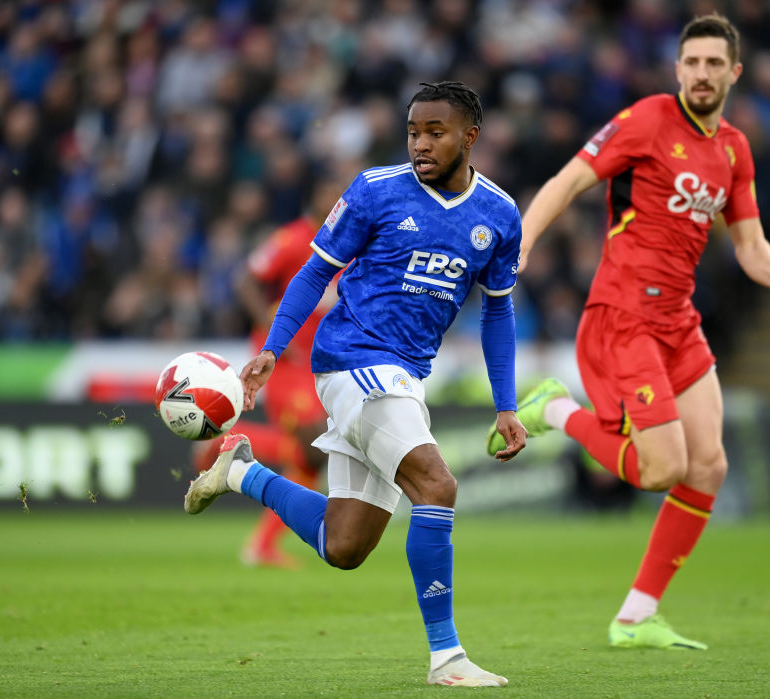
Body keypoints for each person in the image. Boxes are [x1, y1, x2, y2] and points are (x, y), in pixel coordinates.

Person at [185, 81, 528, 687]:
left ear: (470, 136)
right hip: (353, 361)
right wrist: (271, 350)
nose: (421, 143)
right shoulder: (374, 190)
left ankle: (240, 472)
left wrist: (506, 405)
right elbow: (315, 271)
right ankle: (447, 658)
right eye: (413, 132)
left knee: (343, 545)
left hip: (406, 375)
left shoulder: (498, 215)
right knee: (437, 484)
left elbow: (497, 312)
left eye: (436, 132)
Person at [487, 14, 770, 650]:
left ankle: (635, 615)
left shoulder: (735, 149)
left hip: (679, 323)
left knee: (707, 466)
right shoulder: (648, 119)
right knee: (663, 469)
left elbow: (746, 240)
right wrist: (521, 241)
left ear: (734, 73)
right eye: (692, 63)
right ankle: (558, 410)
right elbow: (570, 179)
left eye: (715, 64)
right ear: (678, 68)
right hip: (624, 315)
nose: (702, 74)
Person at [191, 197, 341, 568]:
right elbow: (246, 278)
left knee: (311, 459)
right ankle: (223, 440)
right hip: (283, 356)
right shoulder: (291, 239)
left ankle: (261, 546)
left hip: (313, 359)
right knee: (313, 446)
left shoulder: (347, 242)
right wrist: (276, 333)